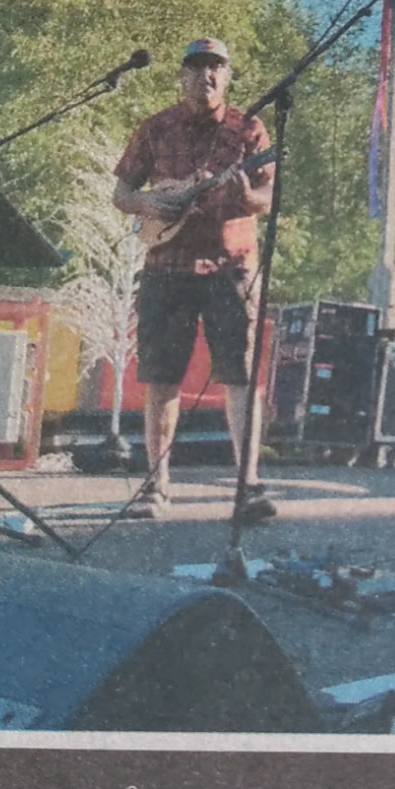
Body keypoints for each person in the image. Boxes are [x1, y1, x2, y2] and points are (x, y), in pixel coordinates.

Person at [113, 38, 273, 519]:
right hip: (167, 265)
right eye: (196, 68)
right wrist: (147, 203)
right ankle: (155, 486)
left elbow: (267, 196)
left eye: (216, 68)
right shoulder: (156, 128)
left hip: (231, 265)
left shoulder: (249, 130)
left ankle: (248, 486)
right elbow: (122, 190)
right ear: (181, 77)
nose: (206, 76)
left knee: (239, 376)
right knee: (160, 379)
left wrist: (248, 199)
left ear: (227, 77)